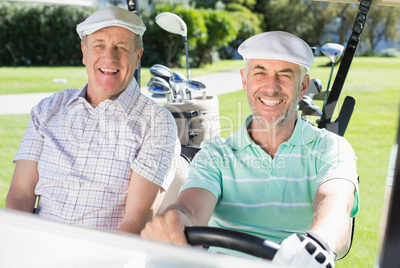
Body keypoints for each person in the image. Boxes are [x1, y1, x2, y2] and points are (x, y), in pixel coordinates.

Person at [141, 31, 359, 267]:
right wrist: (179, 216)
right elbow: (191, 208)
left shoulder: (332, 148)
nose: (271, 87)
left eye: (285, 75)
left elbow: (336, 203)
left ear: (303, 86)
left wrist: (318, 243)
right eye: (260, 73)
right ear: (245, 81)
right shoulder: (216, 154)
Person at [5, 6, 179, 234]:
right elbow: (20, 194)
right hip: (37, 247)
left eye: (121, 47)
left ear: (137, 57)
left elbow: (135, 222)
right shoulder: (48, 108)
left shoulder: (157, 122)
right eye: (99, 46)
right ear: (84, 52)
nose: (110, 56)